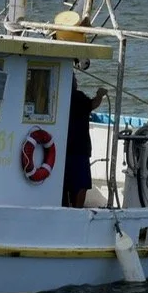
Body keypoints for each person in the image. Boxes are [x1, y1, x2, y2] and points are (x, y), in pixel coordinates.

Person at [61, 77, 97, 208]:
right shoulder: (78, 96)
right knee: (81, 184)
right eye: (75, 79)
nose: (77, 81)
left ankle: (65, 207)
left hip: (63, 148)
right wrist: (100, 95)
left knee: (65, 184)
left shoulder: (61, 96)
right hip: (79, 149)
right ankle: (77, 211)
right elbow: (92, 105)